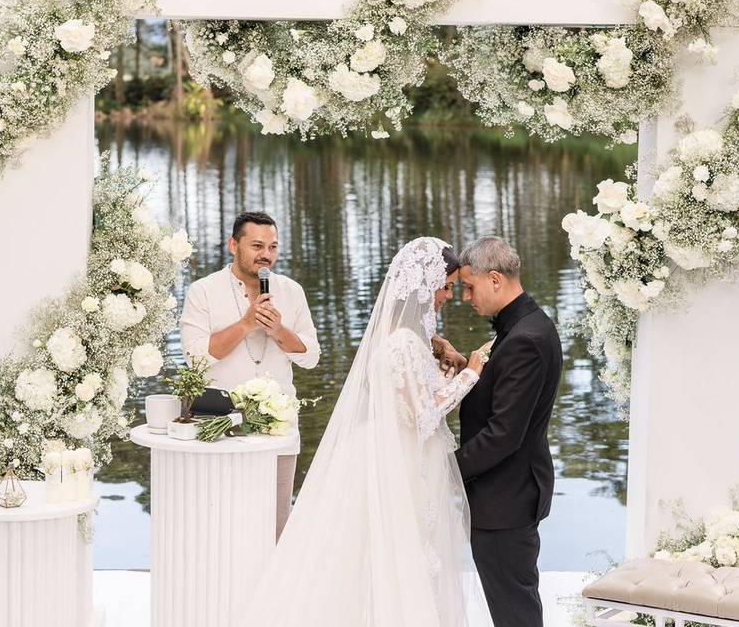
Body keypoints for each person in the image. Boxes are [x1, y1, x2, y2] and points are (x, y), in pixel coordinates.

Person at [239, 237, 494, 626]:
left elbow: (414, 395)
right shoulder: (403, 343)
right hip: (398, 459)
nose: (448, 296)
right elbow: (423, 415)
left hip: (400, 452)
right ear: (425, 286)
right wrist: (472, 372)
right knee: (392, 553)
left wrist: (445, 359)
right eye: (445, 286)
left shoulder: (409, 338)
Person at [180, 211, 320, 539]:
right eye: (257, 245)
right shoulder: (203, 291)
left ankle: (272, 590)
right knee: (221, 527)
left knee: (275, 528)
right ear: (233, 245)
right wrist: (245, 325)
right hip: (219, 428)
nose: (266, 254)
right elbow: (195, 358)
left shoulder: (292, 291)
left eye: (272, 246)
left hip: (279, 431)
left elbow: (311, 357)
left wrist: (279, 331)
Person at [455, 236, 564, 627]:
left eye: (469, 286)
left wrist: (446, 470)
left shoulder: (525, 340)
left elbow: (503, 433)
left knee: (514, 614)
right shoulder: (523, 325)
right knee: (514, 608)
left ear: (495, 279)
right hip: (507, 493)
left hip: (504, 498)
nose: (466, 297)